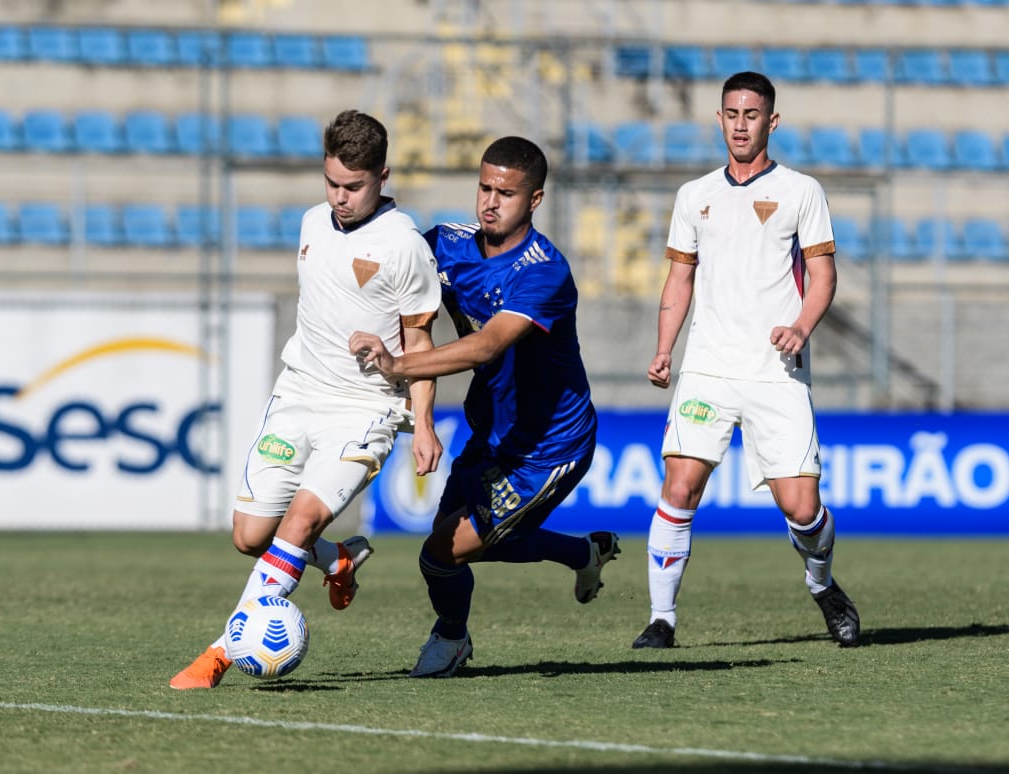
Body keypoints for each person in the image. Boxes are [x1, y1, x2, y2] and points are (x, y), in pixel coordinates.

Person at [170, 109, 444, 689]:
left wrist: (423, 424)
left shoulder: (405, 246)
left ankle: (220, 654)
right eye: (331, 184)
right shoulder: (311, 224)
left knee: (299, 521)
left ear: (383, 176)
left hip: (365, 409)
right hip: (297, 394)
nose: (340, 198)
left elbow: (420, 344)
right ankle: (337, 558)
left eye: (354, 186)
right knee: (250, 536)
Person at [350, 136, 620, 678]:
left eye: (507, 193)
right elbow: (394, 260)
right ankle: (580, 554)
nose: (490, 202)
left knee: (442, 553)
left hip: (549, 447)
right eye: (484, 188)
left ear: (535, 200)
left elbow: (487, 345)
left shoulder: (543, 271)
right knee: (451, 545)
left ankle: (451, 639)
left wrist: (397, 368)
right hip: (491, 433)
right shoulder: (447, 245)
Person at [632, 71, 860, 650]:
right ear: (719, 119)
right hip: (708, 367)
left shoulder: (801, 191)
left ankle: (822, 584)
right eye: (731, 114)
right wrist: (664, 349)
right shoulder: (695, 195)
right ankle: (662, 620)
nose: (740, 124)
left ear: (771, 122)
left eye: (752, 115)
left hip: (775, 370)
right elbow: (679, 278)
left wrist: (801, 326)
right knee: (679, 488)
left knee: (802, 508)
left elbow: (825, 276)